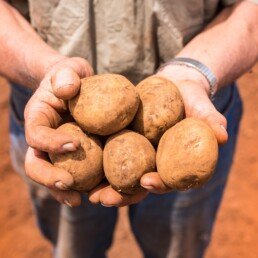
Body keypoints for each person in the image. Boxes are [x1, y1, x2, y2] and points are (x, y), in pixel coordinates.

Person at [1, 0, 258, 257]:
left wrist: (194, 72)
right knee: (74, 248)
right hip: (56, 113)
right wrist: (44, 68)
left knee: (178, 249)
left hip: (193, 103)